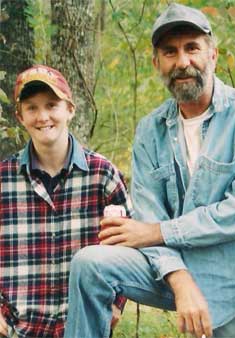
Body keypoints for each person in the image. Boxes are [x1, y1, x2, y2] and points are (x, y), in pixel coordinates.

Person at [64, 3, 235, 338]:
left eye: (192, 48)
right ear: (156, 63)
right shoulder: (150, 130)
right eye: (170, 52)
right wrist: (180, 281)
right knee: (90, 264)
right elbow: (148, 216)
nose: (182, 62)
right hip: (170, 271)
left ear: (213, 54)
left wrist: (158, 232)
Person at [0, 65, 133, 338]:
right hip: (18, 328)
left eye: (52, 105)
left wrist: (117, 303)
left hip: (84, 324)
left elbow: (128, 246)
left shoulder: (102, 175)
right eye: (32, 108)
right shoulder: (3, 179)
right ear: (20, 116)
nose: (43, 116)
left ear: (70, 109)